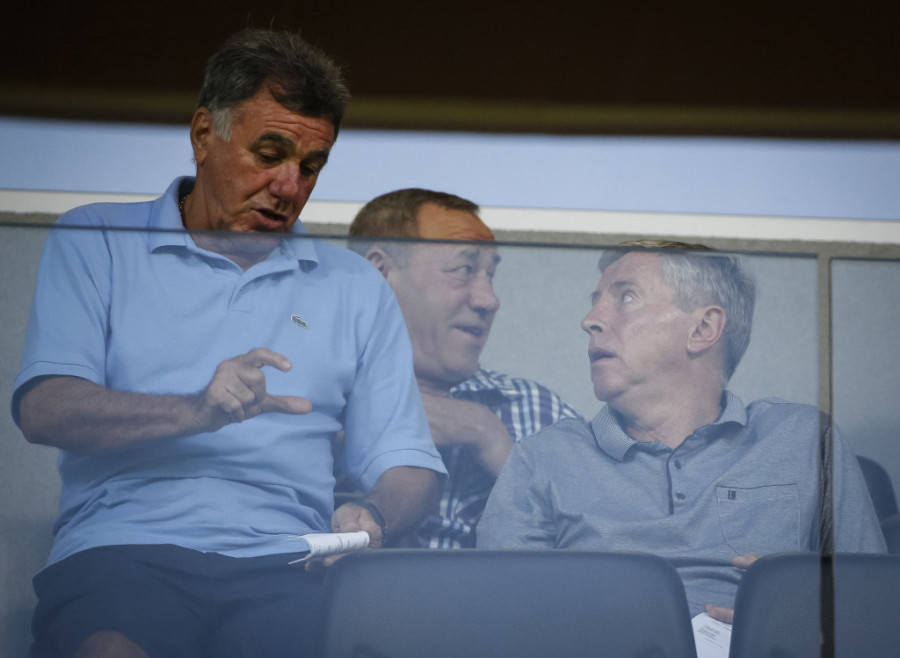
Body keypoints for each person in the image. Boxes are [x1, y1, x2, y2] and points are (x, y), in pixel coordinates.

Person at [11, 29, 446, 658]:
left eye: (311, 167)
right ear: (202, 135)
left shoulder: (354, 284)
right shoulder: (97, 237)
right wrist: (198, 409)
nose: (289, 186)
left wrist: (374, 516)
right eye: (269, 153)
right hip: (123, 548)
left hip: (289, 564)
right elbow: (44, 409)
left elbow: (409, 466)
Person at [478, 239, 886, 622]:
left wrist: (803, 624)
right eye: (595, 301)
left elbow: (875, 615)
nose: (590, 321)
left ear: (703, 329)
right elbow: (501, 623)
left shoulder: (804, 439)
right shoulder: (543, 458)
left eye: (626, 297)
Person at [347, 188, 580, 548]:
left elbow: (603, 550)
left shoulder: (541, 413)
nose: (489, 300)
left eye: (491, 275)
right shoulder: (312, 403)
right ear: (380, 273)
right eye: (463, 270)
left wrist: (490, 437)